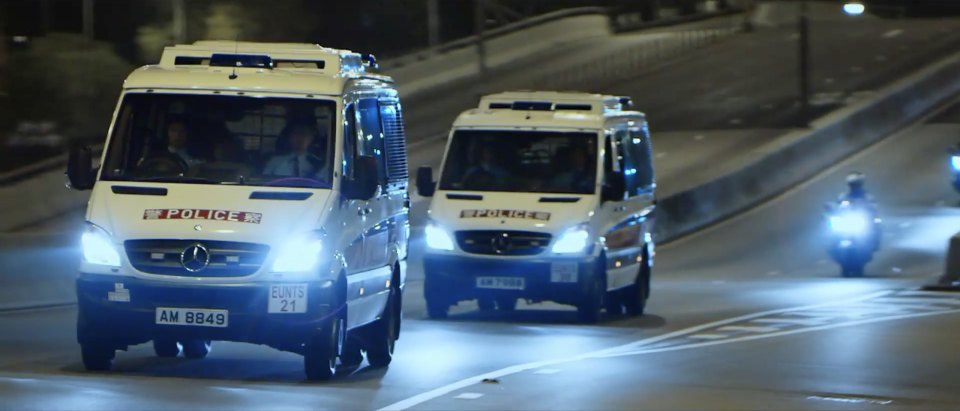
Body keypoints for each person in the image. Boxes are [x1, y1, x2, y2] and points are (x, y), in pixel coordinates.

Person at [262, 121, 328, 179]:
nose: (300, 138)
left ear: (312, 138)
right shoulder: (275, 162)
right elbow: (264, 182)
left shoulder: (318, 164)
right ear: (289, 137)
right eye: (296, 133)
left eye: (305, 134)